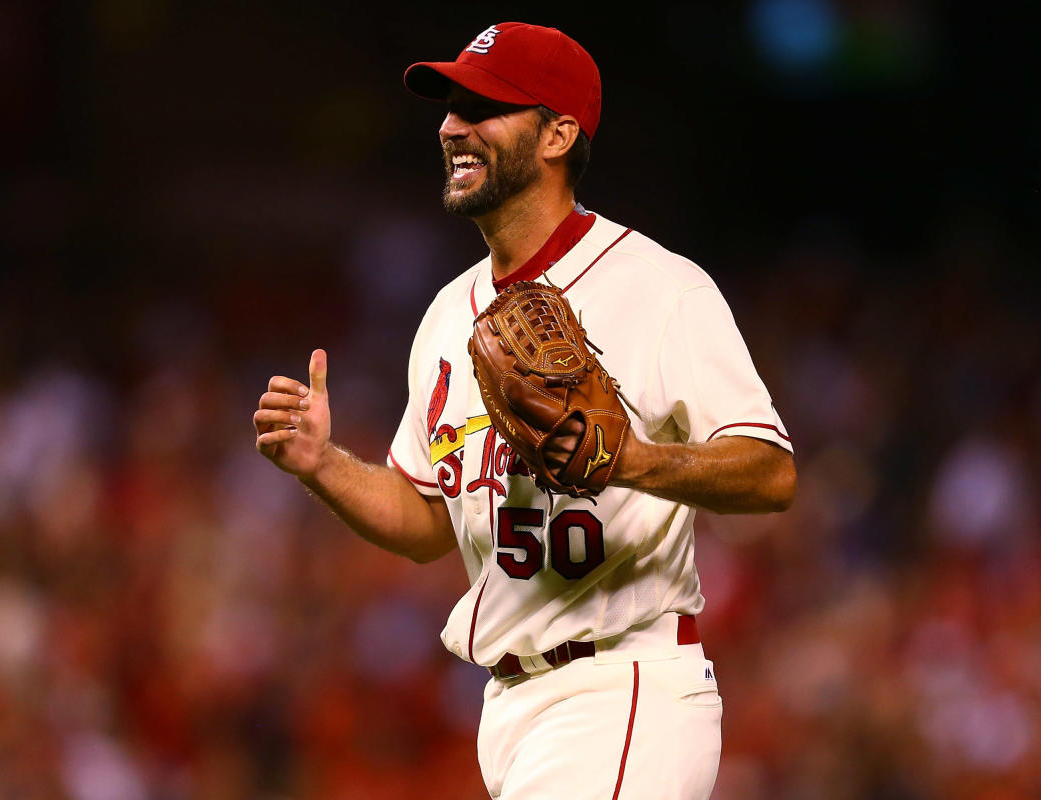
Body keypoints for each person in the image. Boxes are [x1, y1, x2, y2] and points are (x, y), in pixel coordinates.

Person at [254, 21, 796, 800]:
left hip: (622, 683)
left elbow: (772, 472)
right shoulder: (447, 316)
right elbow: (425, 523)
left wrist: (635, 459)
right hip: (510, 708)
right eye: (449, 108)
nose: (451, 127)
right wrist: (321, 465)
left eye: (484, 106)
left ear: (559, 133)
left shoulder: (659, 287)